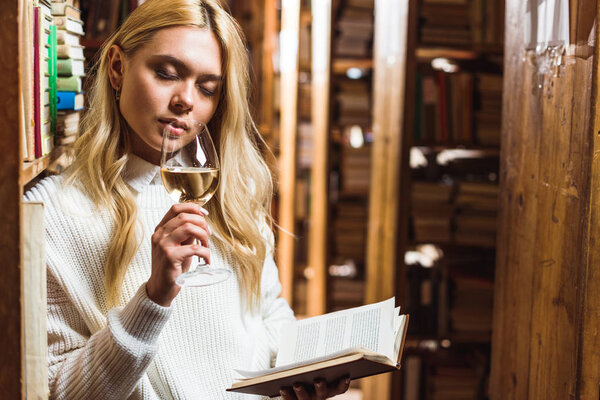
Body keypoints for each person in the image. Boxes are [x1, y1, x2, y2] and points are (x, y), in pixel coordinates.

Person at [24, 0, 350, 399]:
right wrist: (153, 299)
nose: (186, 101)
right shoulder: (49, 214)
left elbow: (269, 314)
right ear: (116, 68)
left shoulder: (233, 194)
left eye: (207, 88)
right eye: (166, 73)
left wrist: (293, 380)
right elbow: (55, 391)